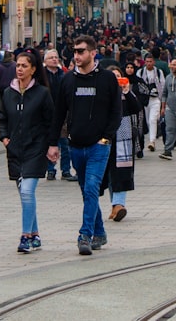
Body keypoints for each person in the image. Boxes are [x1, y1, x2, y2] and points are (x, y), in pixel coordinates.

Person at [49, 34, 121, 256]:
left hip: (99, 146)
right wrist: (53, 143)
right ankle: (100, 233)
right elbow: (58, 113)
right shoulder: (68, 80)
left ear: (93, 53)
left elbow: (116, 111)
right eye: (75, 51)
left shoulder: (107, 79)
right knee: (86, 193)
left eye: (81, 51)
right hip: (76, 146)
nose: (76, 55)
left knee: (91, 188)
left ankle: (85, 235)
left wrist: (106, 137)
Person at [0, 50, 53, 254]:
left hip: (35, 149)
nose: (19, 69)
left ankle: (25, 237)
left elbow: (50, 121)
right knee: (24, 195)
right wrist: (4, 137)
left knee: (28, 191)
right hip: (15, 150)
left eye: (24, 66)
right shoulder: (8, 93)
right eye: (18, 66)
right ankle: (35, 234)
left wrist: (51, 146)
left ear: (33, 69)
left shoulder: (41, 94)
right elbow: (3, 117)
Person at [105, 66, 145, 223]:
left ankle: (118, 204)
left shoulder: (127, 94)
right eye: (112, 77)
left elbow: (137, 108)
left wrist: (127, 92)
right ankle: (115, 205)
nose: (116, 80)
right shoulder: (104, 94)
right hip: (106, 136)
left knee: (122, 171)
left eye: (118, 77)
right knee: (109, 173)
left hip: (123, 137)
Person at [43, 50, 76, 181]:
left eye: (56, 57)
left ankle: (66, 170)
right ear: (45, 61)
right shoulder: (42, 76)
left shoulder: (64, 74)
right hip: (47, 114)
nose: (54, 60)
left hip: (63, 114)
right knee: (51, 143)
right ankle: (51, 170)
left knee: (65, 143)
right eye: (51, 58)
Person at [139, 54, 165, 152]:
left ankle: (152, 141)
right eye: (147, 61)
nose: (149, 63)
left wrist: (163, 102)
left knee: (153, 119)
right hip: (145, 100)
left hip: (156, 99)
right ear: (144, 62)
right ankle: (151, 137)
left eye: (150, 61)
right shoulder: (140, 72)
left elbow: (162, 86)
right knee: (148, 121)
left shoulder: (158, 72)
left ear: (153, 62)